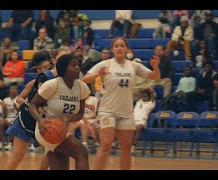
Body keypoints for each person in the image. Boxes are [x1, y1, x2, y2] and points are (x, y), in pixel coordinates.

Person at [82, 37, 160, 170]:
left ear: (126, 49)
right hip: (107, 110)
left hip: (126, 112)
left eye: (122, 45)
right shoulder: (105, 64)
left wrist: (155, 66)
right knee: (106, 144)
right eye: (116, 46)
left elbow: (155, 77)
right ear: (113, 49)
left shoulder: (133, 65)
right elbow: (85, 79)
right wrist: (97, 75)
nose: (119, 48)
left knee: (126, 148)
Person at [4, 49, 69, 170]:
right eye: (39, 69)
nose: (41, 70)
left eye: (43, 67)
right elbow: (19, 99)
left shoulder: (64, 81)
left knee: (52, 151)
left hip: (44, 122)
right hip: (26, 119)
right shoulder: (38, 81)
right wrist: (31, 106)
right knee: (17, 156)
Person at [29, 54, 91, 170]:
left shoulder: (82, 87)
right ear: (63, 69)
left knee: (61, 165)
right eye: (73, 65)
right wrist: (40, 120)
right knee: (81, 152)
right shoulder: (52, 84)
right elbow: (33, 104)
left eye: (78, 65)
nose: (77, 67)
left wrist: (69, 118)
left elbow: (80, 113)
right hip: (46, 128)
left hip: (62, 130)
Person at [131, 88, 155, 155]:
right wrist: (145, 88)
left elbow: (152, 93)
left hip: (142, 121)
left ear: (149, 97)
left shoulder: (151, 104)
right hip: (132, 120)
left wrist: (150, 90)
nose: (144, 97)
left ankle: (133, 148)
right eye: (143, 96)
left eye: (146, 96)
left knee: (137, 128)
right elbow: (139, 91)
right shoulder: (139, 101)